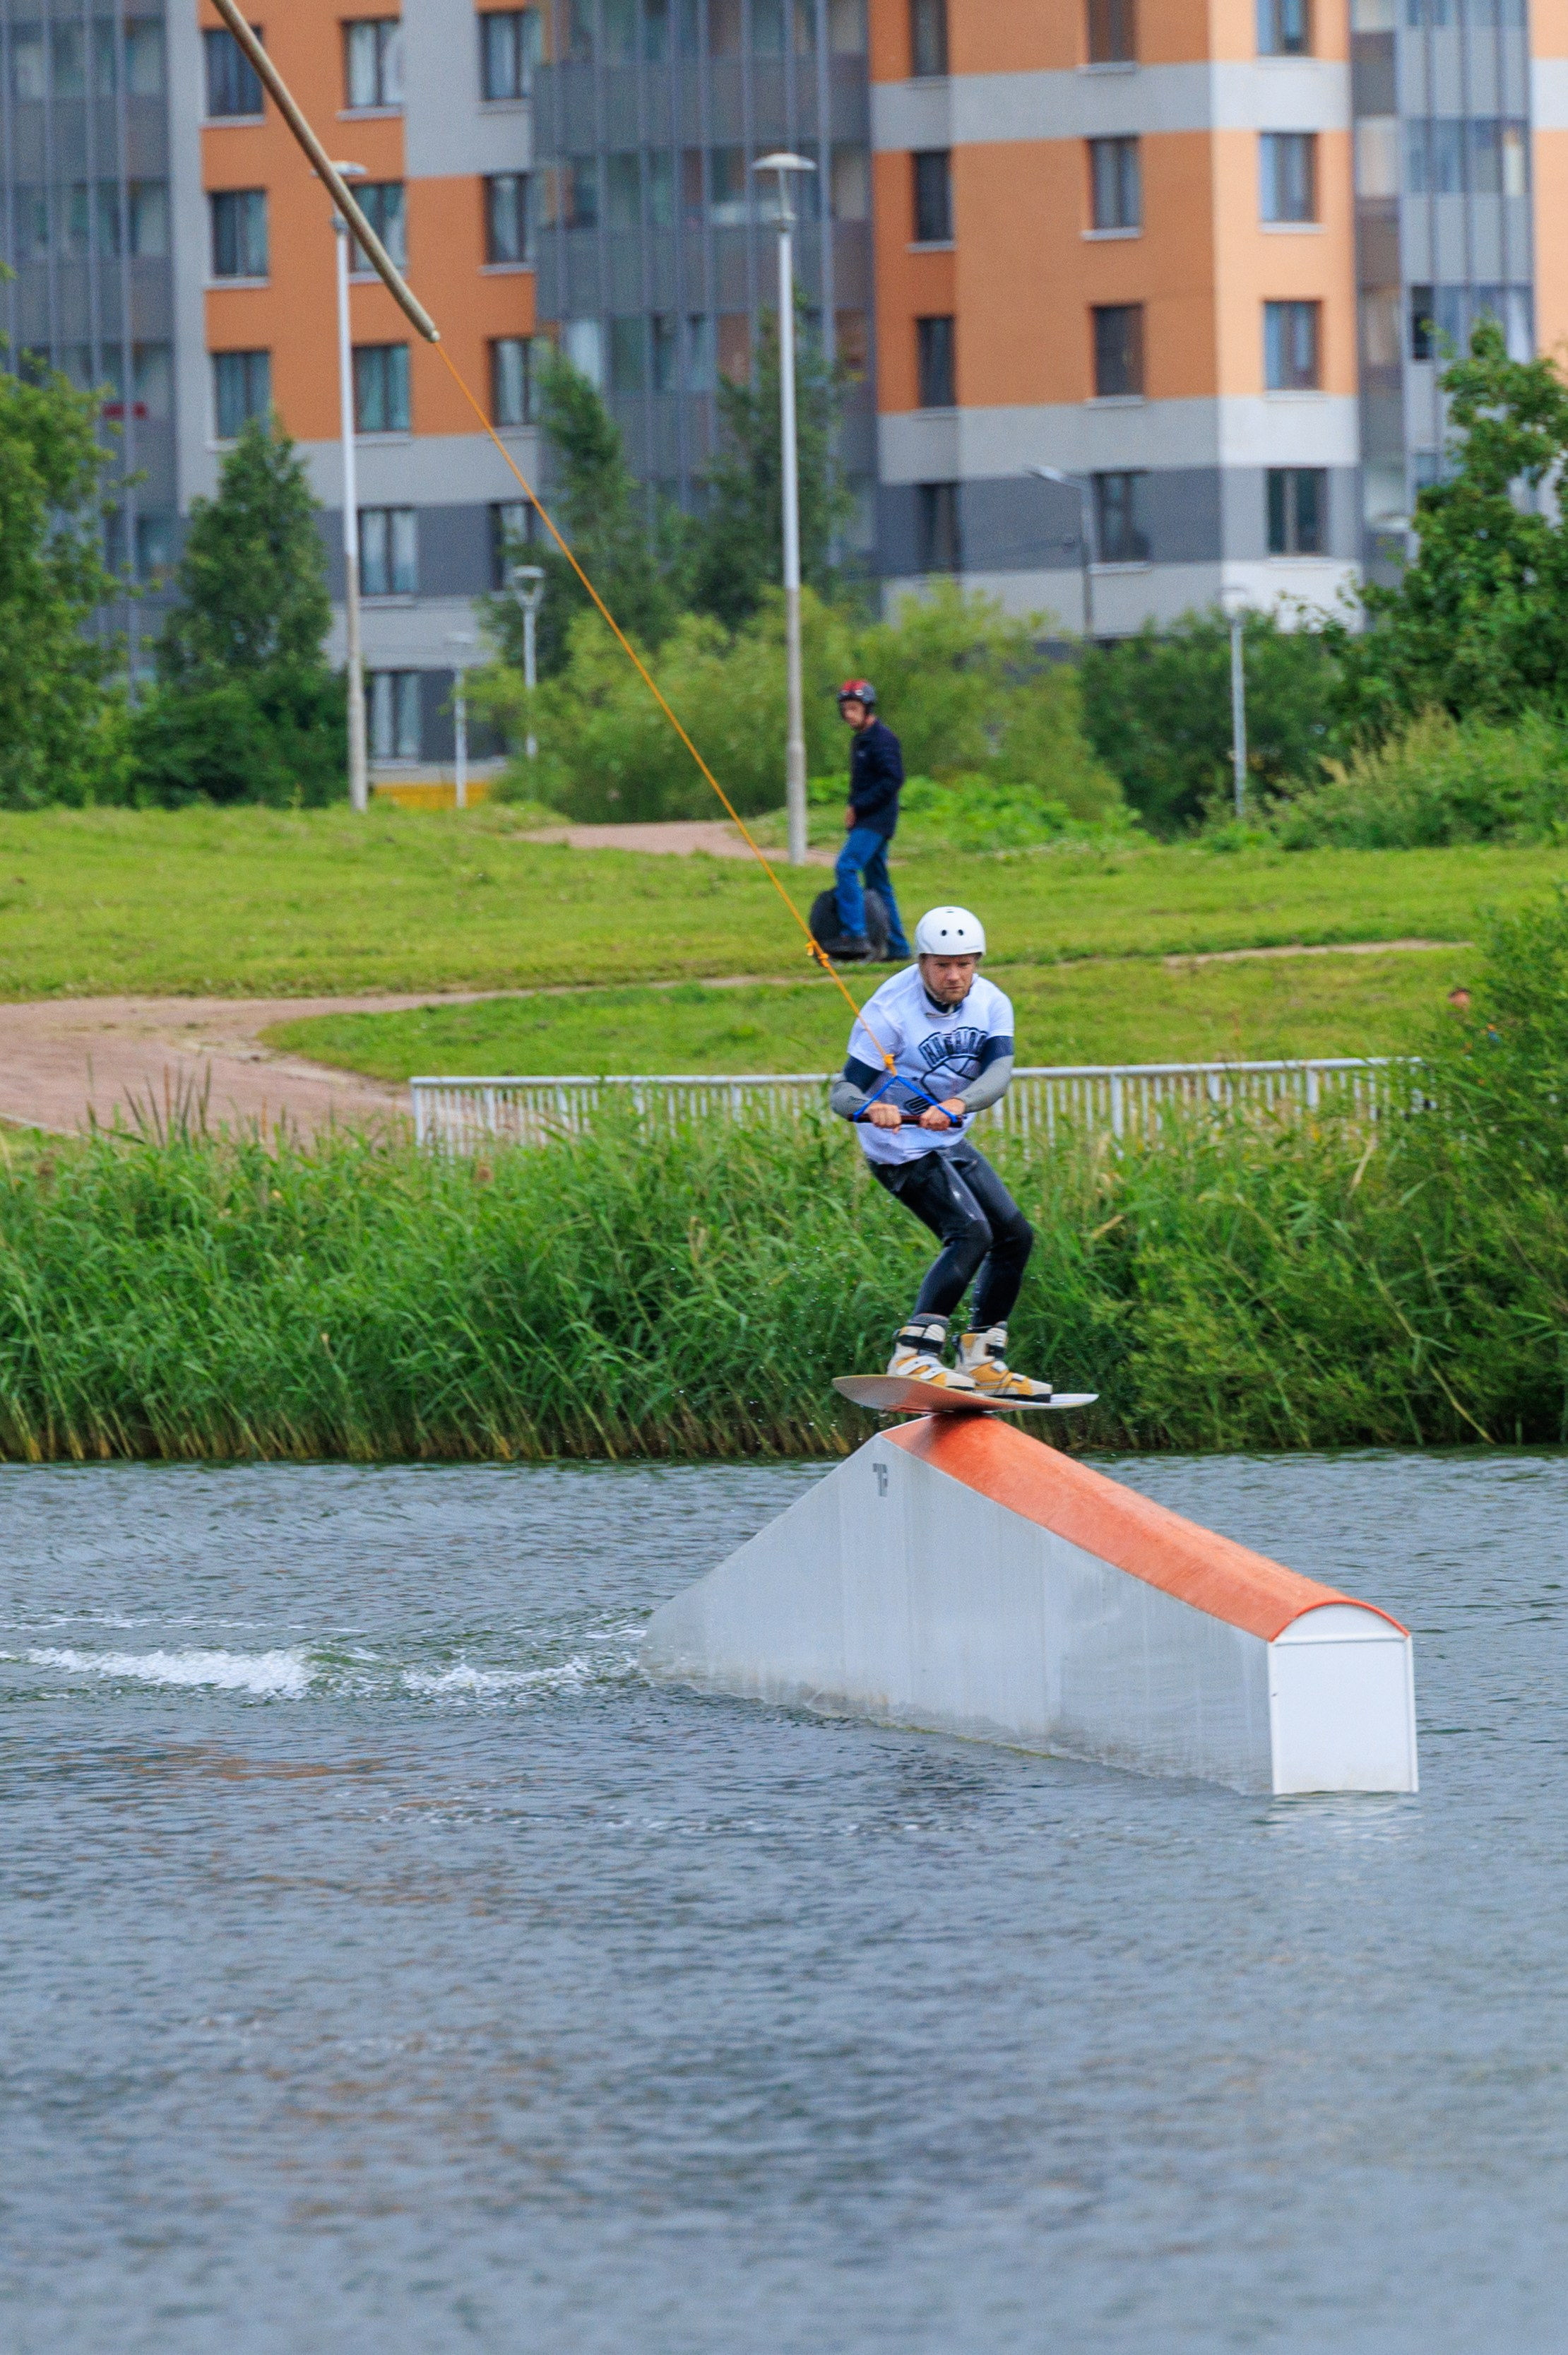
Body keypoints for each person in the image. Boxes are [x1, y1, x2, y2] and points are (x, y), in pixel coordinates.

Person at [829, 904, 1051, 1399]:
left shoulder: (992, 1003)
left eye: (964, 964)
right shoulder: (888, 1013)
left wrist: (958, 1102)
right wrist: (869, 1108)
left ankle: (981, 1358)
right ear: (922, 962)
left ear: (977, 962)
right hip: (899, 1151)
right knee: (969, 1232)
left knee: (1014, 1235)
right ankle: (913, 1353)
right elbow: (840, 1092)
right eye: (942, 965)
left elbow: (997, 1077)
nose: (954, 976)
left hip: (947, 1138)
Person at [827, 680, 911, 963]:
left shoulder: (883, 740)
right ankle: (898, 946)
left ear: (867, 709)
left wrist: (859, 807)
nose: (848, 715)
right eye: (845, 710)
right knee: (878, 885)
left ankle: (856, 936)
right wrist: (853, 809)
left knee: (846, 866)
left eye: (854, 709)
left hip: (877, 821)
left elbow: (893, 780)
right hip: (866, 819)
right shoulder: (860, 740)